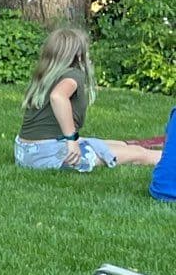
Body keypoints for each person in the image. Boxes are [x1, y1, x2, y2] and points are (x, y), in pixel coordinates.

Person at [13, 25, 158, 172]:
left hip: (26, 152)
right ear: (78, 55)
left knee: (121, 145)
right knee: (141, 154)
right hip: (50, 153)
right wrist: (72, 140)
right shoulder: (73, 74)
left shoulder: (46, 76)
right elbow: (57, 97)